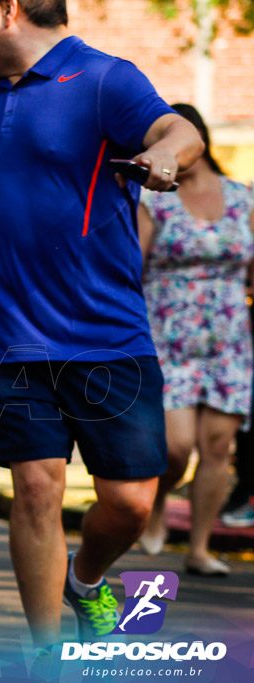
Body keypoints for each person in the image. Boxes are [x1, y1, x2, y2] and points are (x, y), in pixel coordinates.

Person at [0, 0, 203, 648]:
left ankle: (87, 576)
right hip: (5, 330)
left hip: (104, 329)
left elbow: (178, 130)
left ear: (9, 10)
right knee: (36, 489)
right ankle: (47, 654)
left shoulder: (103, 79)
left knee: (131, 500)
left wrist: (169, 155)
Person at [136, 103, 253, 577]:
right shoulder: (154, 200)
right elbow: (133, 267)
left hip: (228, 337)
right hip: (168, 331)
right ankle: (158, 499)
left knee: (219, 447)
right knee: (177, 446)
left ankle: (199, 548)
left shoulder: (242, 197)